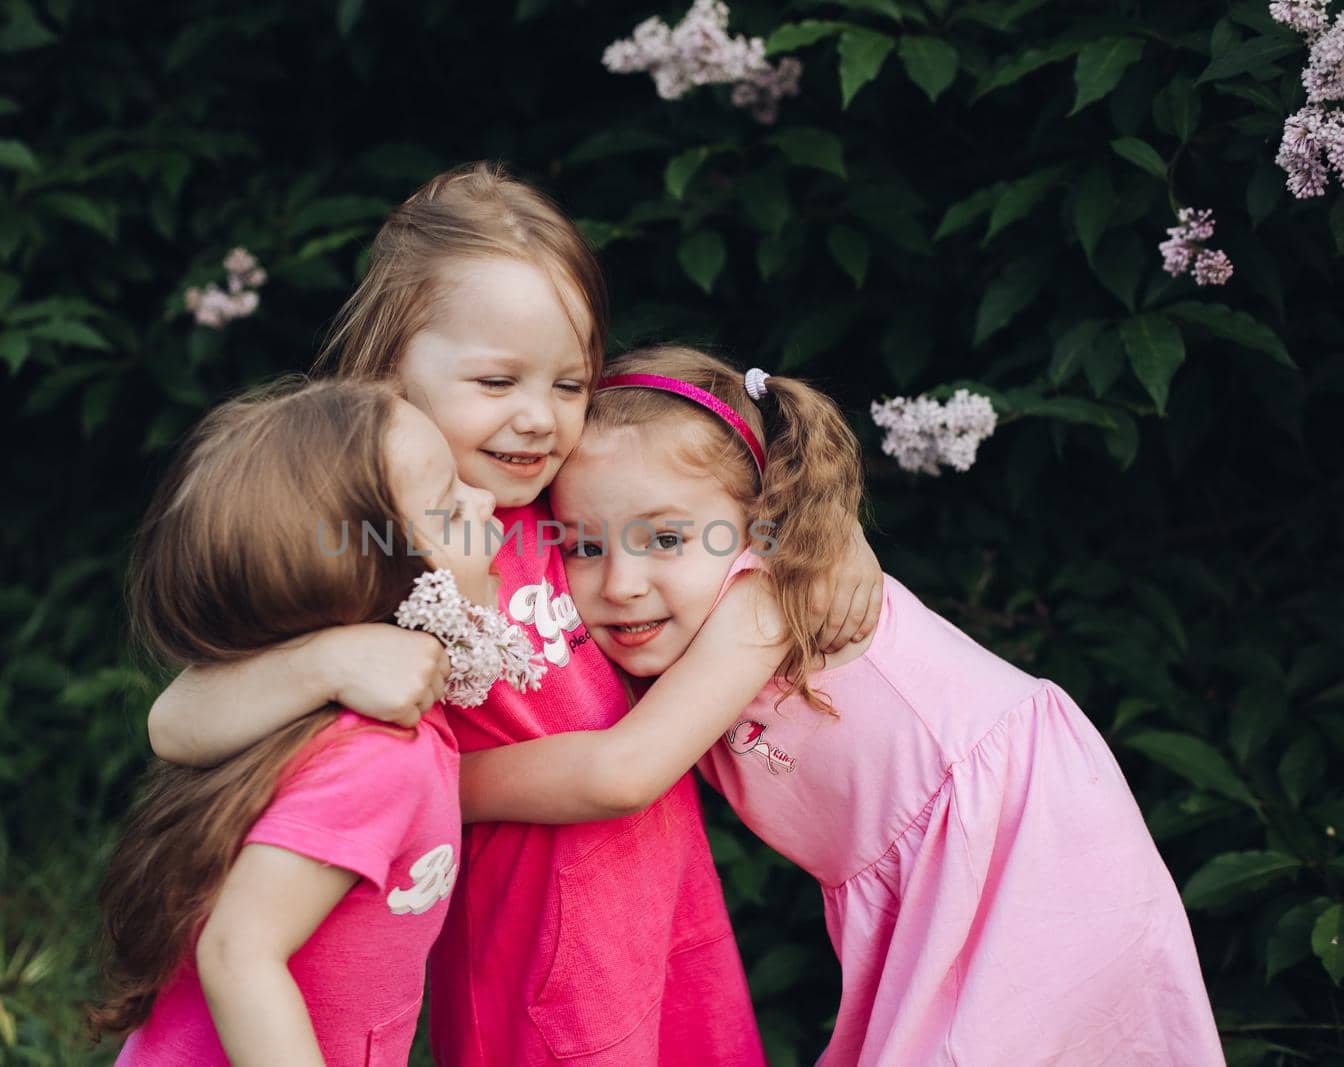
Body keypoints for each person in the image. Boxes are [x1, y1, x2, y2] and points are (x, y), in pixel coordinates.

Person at [145, 163, 884, 1065]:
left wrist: (834, 534)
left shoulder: (579, 508)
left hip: (663, 909)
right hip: (535, 954)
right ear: (391, 368)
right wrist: (330, 662)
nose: (539, 419)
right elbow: (176, 717)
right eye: (497, 383)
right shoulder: (396, 543)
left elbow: (726, 474)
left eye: (569, 386)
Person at [460, 345, 1226, 1066]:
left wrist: (441, 782)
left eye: (664, 537)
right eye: (586, 547)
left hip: (1021, 839)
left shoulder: (762, 599)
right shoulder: (675, 622)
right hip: (946, 860)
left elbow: (622, 772)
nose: (620, 581)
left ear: (760, 525)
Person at [92, 379, 496, 1065]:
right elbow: (237, 950)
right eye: (453, 503)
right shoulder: (375, 757)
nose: (486, 501)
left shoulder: (300, 708)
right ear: (377, 583)